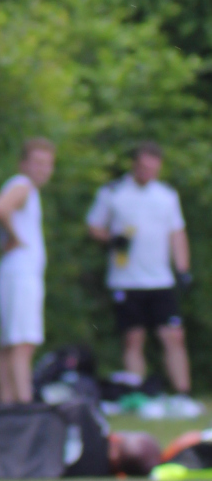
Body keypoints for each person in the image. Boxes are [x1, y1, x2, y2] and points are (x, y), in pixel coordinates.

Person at [86, 142, 192, 395]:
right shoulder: (113, 192)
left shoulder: (166, 195)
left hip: (160, 279)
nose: (148, 172)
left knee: (173, 336)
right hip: (126, 279)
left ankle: (182, 393)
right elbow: (94, 226)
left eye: (153, 168)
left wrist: (182, 268)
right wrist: (111, 240)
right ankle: (137, 393)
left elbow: (177, 233)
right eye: (143, 167)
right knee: (133, 338)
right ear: (134, 165)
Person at [0, 138, 55, 404]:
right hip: (21, 274)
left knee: (9, 343)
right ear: (23, 164)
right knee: (23, 342)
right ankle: (25, 404)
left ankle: (5, 406)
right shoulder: (22, 185)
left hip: (14, 273)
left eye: (47, 164)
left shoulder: (25, 188)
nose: (43, 169)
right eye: (37, 162)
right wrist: (16, 237)